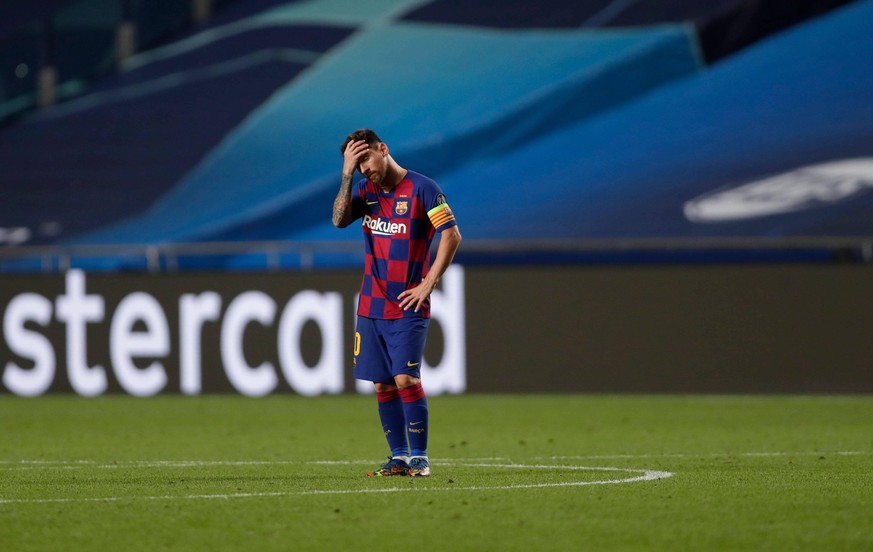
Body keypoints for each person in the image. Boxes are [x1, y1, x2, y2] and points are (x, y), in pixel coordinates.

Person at [332, 129, 462, 478]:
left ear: (383, 149)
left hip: (407, 304)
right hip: (371, 305)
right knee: (382, 384)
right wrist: (346, 175)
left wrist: (428, 283)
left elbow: (451, 234)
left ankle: (420, 457)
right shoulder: (365, 191)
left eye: (364, 159)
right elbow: (339, 219)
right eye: (355, 165)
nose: (363, 169)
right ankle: (399, 456)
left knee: (405, 377)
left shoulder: (423, 189)